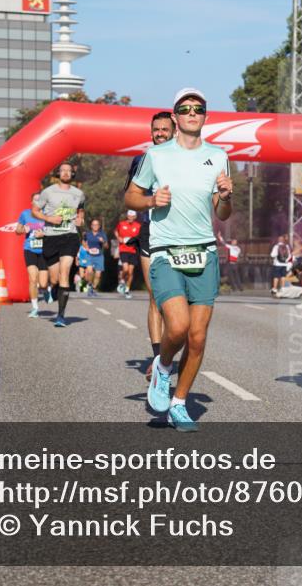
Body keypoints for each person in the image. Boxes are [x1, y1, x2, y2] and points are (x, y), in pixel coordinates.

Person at [125, 87, 233, 432]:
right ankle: (163, 365)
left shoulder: (219, 156)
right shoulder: (155, 156)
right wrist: (151, 200)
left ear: (205, 116)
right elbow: (131, 196)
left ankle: (179, 402)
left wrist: (227, 196)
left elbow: (224, 213)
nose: (191, 113)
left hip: (204, 251)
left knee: (198, 338)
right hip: (165, 252)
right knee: (178, 326)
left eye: (197, 109)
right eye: (184, 108)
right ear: (175, 116)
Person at [130, 111, 174, 369]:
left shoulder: (189, 159)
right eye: (156, 129)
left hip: (181, 234)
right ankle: (159, 358)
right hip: (151, 231)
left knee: (179, 300)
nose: (160, 133)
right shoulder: (140, 160)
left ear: (173, 131)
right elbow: (130, 197)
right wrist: (149, 201)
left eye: (164, 129)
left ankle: (171, 348)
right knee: (156, 297)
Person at [32, 161, 85, 327]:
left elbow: (81, 210)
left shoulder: (79, 193)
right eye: (63, 171)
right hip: (51, 237)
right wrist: (49, 219)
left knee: (65, 272)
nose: (66, 173)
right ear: (58, 174)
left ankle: (61, 316)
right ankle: (53, 289)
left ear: (72, 174)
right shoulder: (48, 192)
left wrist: (80, 219)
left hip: (69, 236)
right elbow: (35, 211)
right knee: (54, 278)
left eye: (69, 171)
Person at [15, 193, 49, 317]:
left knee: (43, 283)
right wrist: (23, 229)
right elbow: (17, 231)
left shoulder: (47, 215)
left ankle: (45, 290)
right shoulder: (25, 214)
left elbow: (54, 232)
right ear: (31, 202)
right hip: (30, 249)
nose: (38, 202)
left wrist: (44, 234)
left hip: (44, 251)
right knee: (33, 279)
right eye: (36, 200)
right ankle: (35, 307)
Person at [115, 210, 141, 299]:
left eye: (132, 216)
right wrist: (118, 237)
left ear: (135, 217)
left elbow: (140, 237)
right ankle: (122, 281)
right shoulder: (121, 224)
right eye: (129, 216)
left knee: (130, 272)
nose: (130, 217)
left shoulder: (138, 226)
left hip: (133, 251)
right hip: (123, 250)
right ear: (127, 216)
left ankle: (127, 289)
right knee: (125, 269)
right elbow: (116, 231)